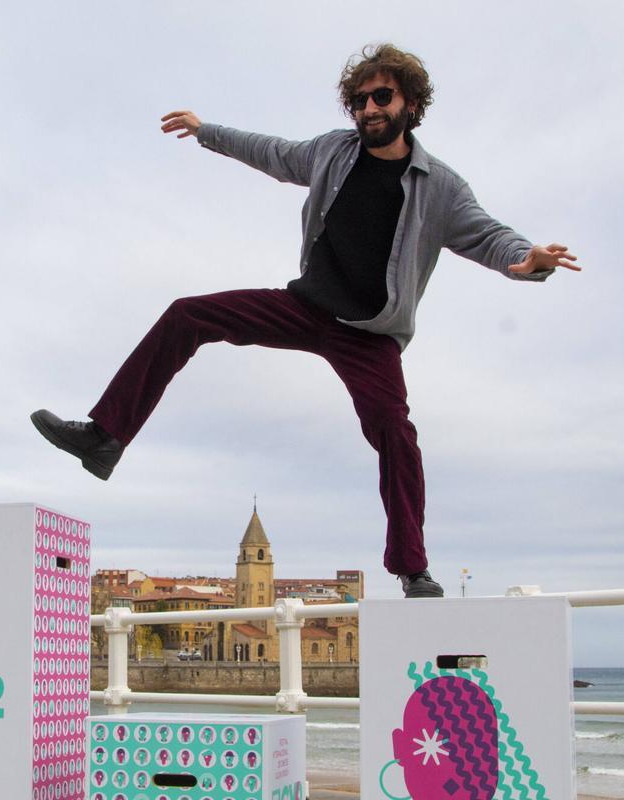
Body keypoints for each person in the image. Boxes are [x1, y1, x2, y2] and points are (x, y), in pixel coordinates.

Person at [31, 43, 580, 598]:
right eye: (360, 100)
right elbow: (272, 152)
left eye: (381, 97)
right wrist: (206, 131)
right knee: (187, 316)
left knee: (396, 433)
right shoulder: (332, 152)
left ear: (411, 104)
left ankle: (412, 567)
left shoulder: (440, 186)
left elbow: (488, 235)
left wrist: (527, 260)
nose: (369, 108)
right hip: (306, 307)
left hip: (369, 336)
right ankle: (104, 437)